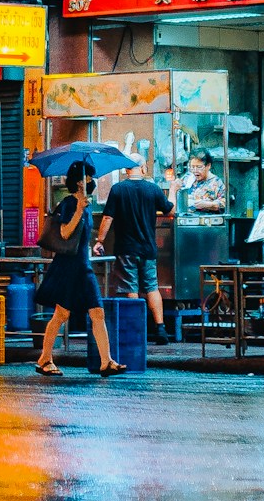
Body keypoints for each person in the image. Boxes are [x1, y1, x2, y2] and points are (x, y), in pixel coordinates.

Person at [35, 159, 119, 378]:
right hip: (69, 267)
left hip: (83, 265)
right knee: (61, 314)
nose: (92, 180)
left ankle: (106, 361)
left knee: (97, 312)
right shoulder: (70, 204)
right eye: (88, 176)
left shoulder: (85, 204)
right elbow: (64, 233)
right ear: (80, 181)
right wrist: (79, 211)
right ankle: (44, 359)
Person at [95, 158, 172, 342]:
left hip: (126, 248)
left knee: (131, 287)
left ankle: (137, 330)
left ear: (125, 169)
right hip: (148, 248)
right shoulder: (153, 189)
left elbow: (107, 218)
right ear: (143, 167)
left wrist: (100, 241)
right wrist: (174, 190)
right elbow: (170, 210)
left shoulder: (118, 189)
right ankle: (160, 329)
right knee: (152, 287)